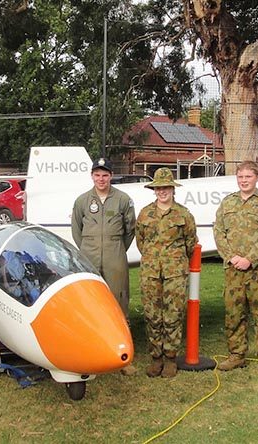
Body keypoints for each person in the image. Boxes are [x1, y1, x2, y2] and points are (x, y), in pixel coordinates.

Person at [213, 161, 258, 378]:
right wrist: (231, 257)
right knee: (234, 313)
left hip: (257, 271)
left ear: (257, 178)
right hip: (233, 270)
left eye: (248, 177)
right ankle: (236, 354)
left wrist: (250, 259)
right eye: (240, 177)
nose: (244, 180)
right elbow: (218, 232)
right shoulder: (227, 203)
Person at [71, 157, 137, 375]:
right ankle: (88, 351)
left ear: (111, 176)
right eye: (97, 175)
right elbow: (76, 230)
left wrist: (115, 249)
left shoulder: (123, 200)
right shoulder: (82, 201)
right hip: (88, 255)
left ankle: (124, 358)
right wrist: (87, 249)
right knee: (89, 303)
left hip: (115, 256)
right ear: (92, 176)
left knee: (119, 303)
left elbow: (130, 230)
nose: (101, 179)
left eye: (105, 175)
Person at [136, 168, 197, 378]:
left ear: (173, 189)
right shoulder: (145, 213)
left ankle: (170, 357)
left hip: (175, 273)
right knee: (153, 315)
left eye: (166, 188)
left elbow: (190, 242)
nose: (162, 192)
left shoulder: (183, 214)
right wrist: (154, 259)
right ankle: (156, 357)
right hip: (151, 272)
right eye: (158, 188)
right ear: (154, 190)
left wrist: (174, 261)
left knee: (173, 314)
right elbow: (140, 241)